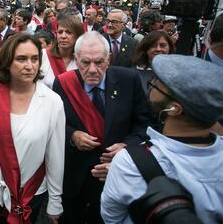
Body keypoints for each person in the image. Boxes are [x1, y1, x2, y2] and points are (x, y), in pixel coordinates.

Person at [101, 54, 223, 224]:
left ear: (174, 109)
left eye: (158, 85)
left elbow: (111, 217)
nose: (153, 84)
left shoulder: (129, 163)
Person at [52, 31, 152, 224]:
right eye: (85, 62)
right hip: (75, 178)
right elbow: (53, 126)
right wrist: (72, 136)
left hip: (116, 176)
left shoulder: (128, 80)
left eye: (98, 63)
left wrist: (127, 147)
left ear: (109, 59)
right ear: (75, 59)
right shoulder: (63, 83)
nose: (91, 69)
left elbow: (145, 124)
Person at [0, 33, 65, 224]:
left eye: (35, 59)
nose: (30, 66)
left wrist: (55, 199)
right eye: (21, 59)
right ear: (7, 61)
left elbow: (55, 155)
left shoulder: (52, 102)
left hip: (31, 190)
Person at [41, 16, 84, 89]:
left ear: (78, 36)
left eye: (69, 32)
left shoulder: (83, 59)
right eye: (60, 32)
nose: (63, 36)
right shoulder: (43, 55)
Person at [133, 31, 175, 96]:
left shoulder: (176, 73)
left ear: (169, 47)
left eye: (162, 45)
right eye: (153, 46)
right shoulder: (134, 73)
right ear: (145, 49)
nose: (158, 49)